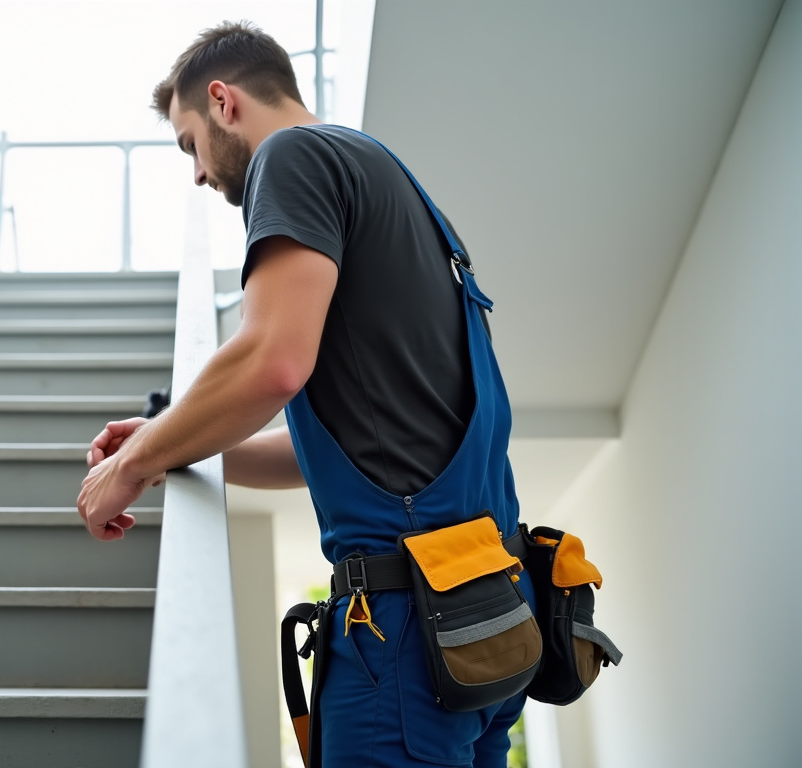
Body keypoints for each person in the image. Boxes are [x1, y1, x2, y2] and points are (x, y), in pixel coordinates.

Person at [77, 20, 528, 768]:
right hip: (489, 614)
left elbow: (272, 362)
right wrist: (173, 448)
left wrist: (131, 462)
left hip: (406, 632)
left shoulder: (291, 157)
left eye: (190, 145)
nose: (197, 174)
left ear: (223, 101)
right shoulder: (386, 177)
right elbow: (338, 449)